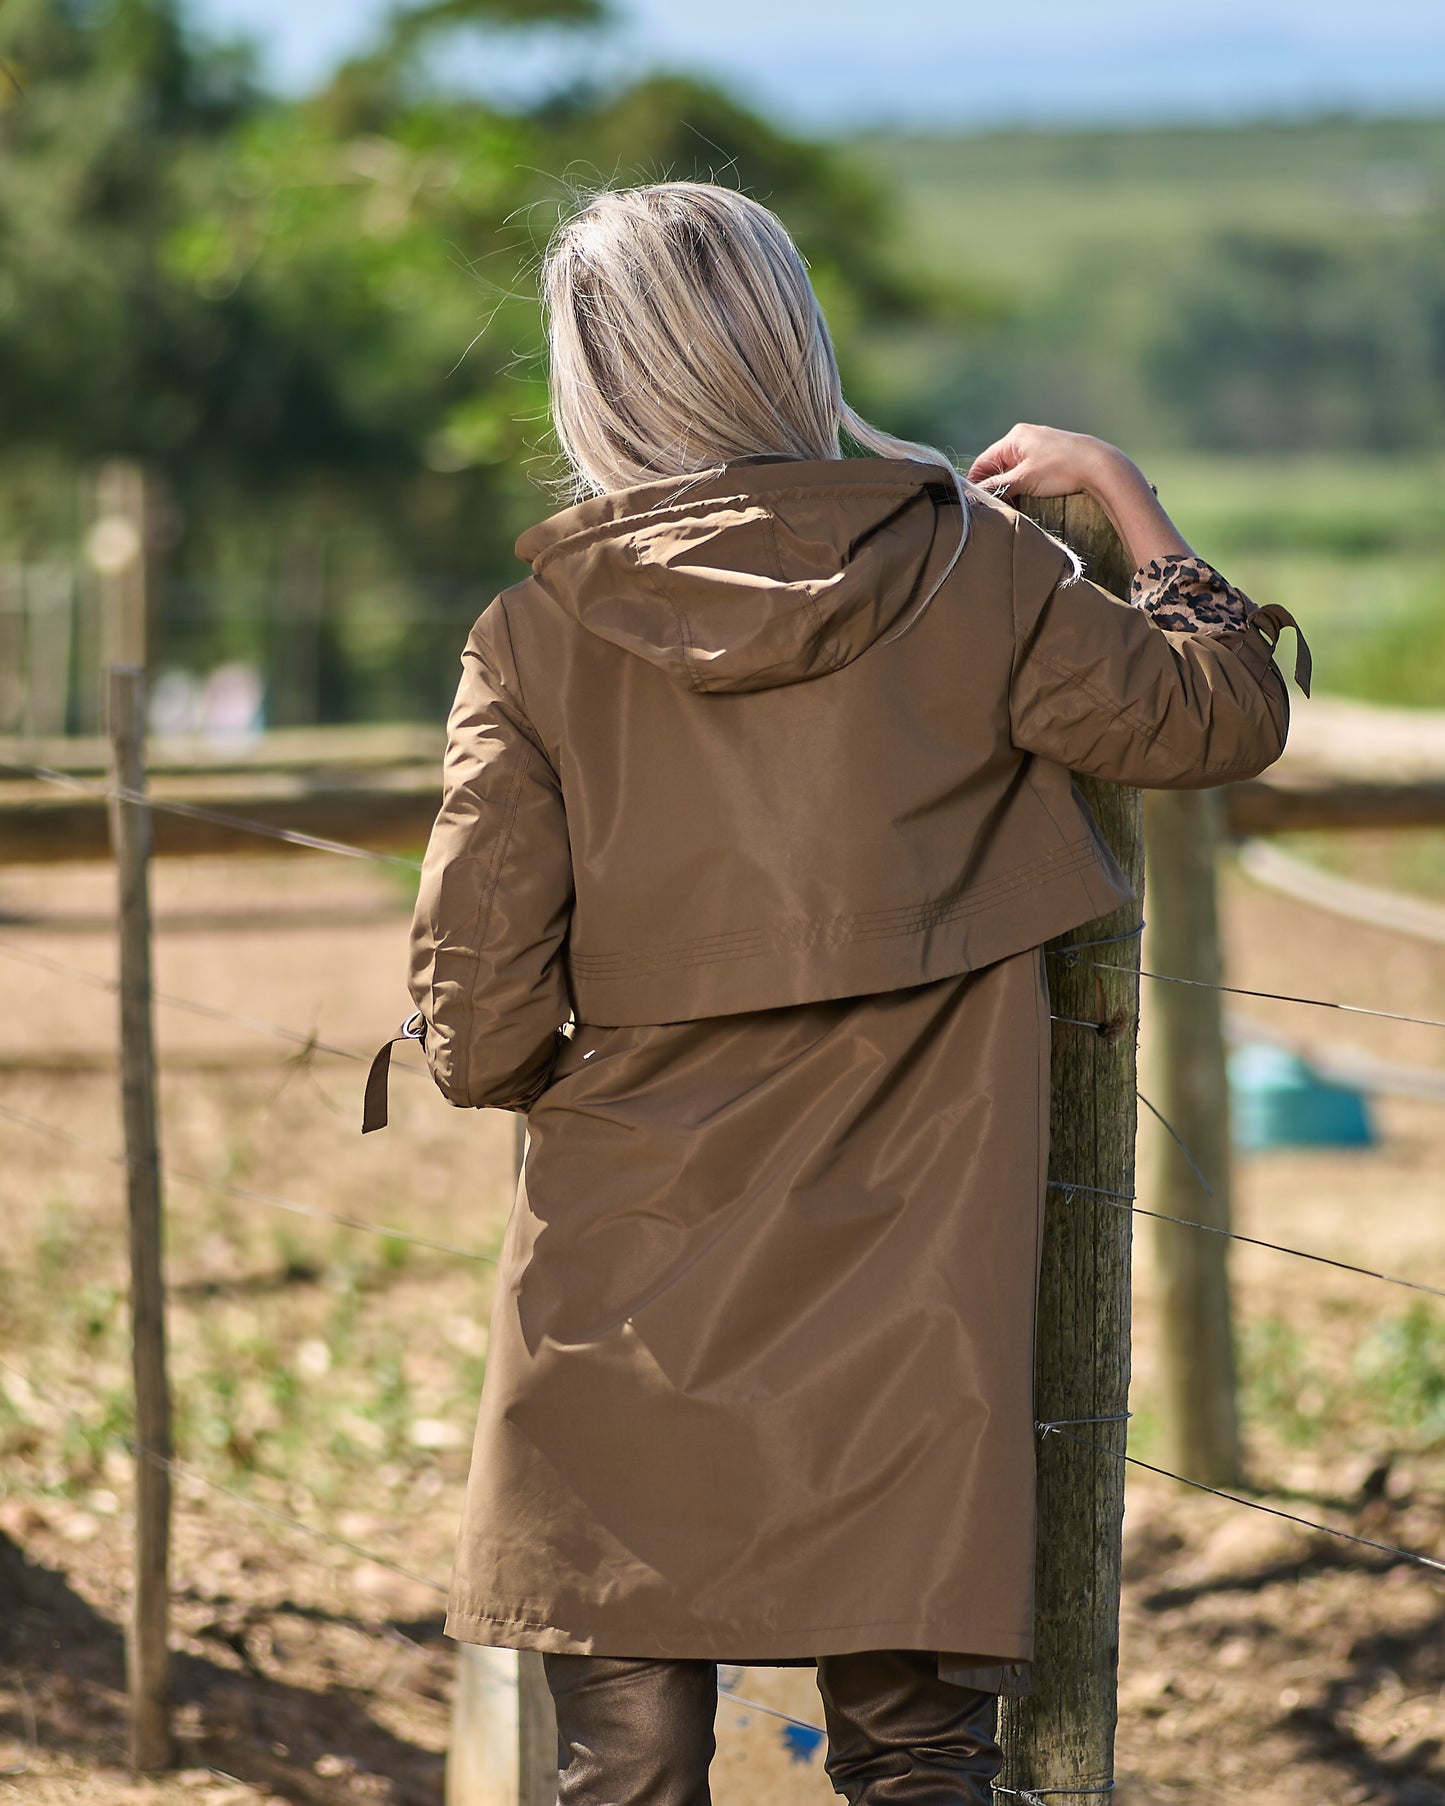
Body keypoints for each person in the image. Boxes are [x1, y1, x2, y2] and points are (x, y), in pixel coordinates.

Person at [368, 181, 1311, 1805]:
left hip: (625, 1273)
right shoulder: (981, 573)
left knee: (627, 1760)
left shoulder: (531, 638)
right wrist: (1125, 496)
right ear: (786, 340)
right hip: (918, 1279)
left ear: (594, 378)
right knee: (916, 1759)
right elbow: (1217, 717)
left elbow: (483, 1025)